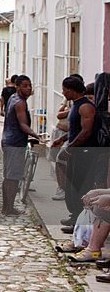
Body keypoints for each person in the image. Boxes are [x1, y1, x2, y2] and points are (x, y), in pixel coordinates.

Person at [51, 76, 99, 230]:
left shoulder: (85, 107)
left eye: (65, 89)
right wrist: (62, 140)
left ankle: (79, 220)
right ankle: (74, 216)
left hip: (84, 153)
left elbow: (86, 132)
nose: (63, 92)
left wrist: (69, 148)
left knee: (81, 186)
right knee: (72, 186)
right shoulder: (75, 106)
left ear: (71, 90)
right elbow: (75, 129)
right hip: (76, 151)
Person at [0, 75, 43, 217]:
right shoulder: (20, 102)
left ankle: (6, 207)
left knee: (8, 176)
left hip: (8, 140)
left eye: (30, 85)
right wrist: (37, 135)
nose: (28, 88)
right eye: (25, 85)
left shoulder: (13, 98)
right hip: (15, 142)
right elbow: (23, 124)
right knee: (13, 176)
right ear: (17, 87)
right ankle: (8, 208)